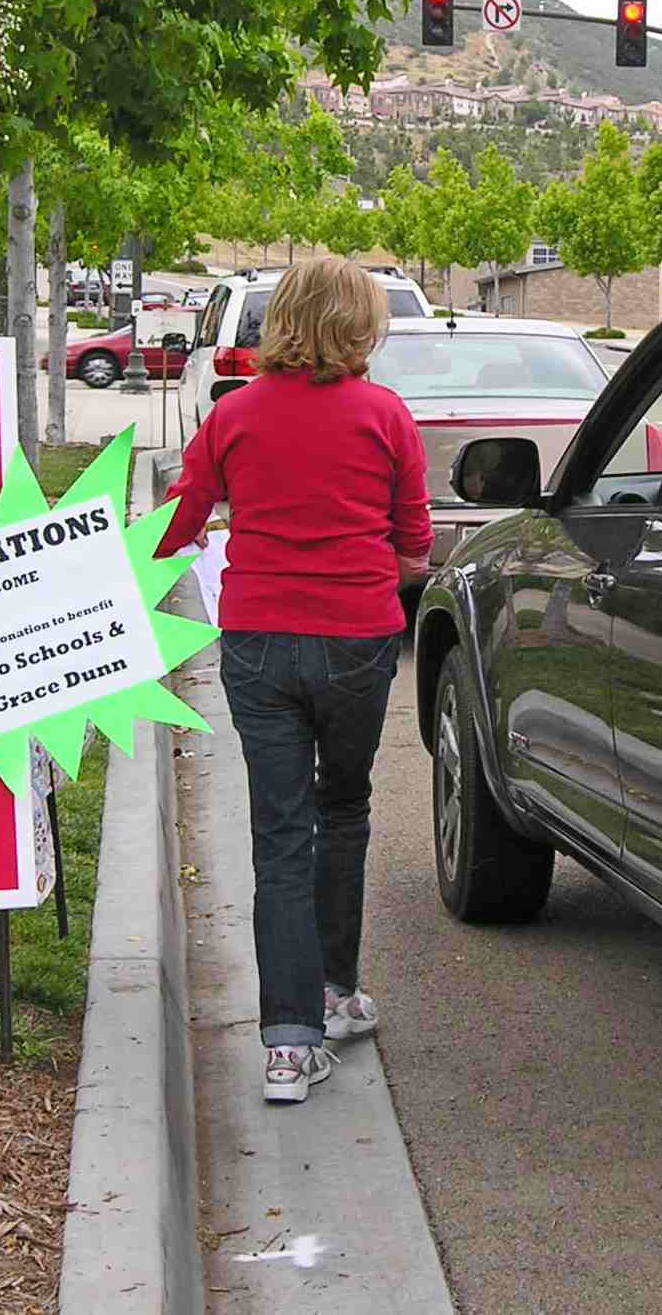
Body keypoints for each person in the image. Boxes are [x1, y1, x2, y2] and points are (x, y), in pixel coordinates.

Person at [157, 256, 433, 1104]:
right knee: (342, 808)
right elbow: (415, 542)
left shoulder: (234, 415)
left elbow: (179, 523)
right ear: (359, 325)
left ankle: (287, 1044)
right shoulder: (385, 414)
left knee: (277, 832)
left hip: (256, 641)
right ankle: (335, 992)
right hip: (356, 639)